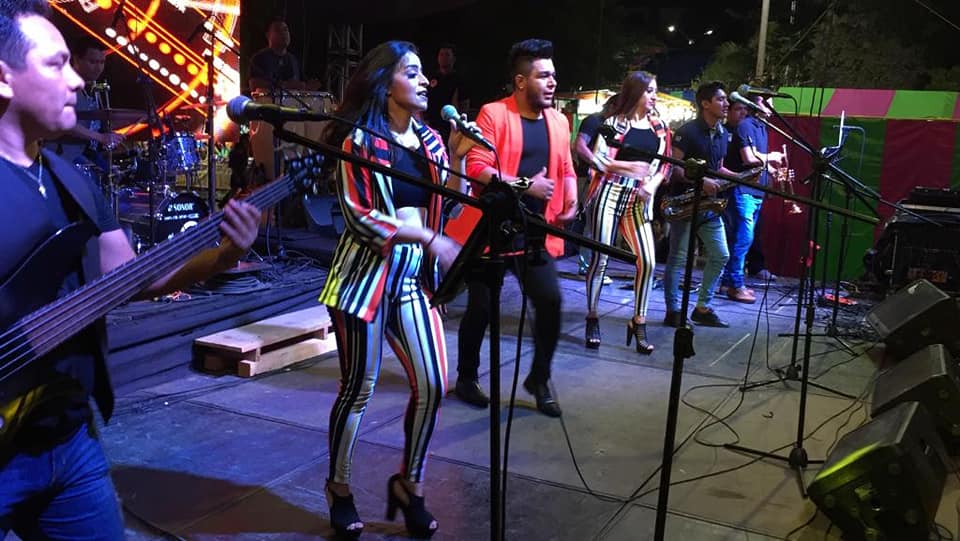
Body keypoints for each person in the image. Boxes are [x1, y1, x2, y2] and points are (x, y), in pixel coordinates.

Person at [0, 2, 261, 538]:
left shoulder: (71, 180)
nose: (77, 80)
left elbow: (135, 279)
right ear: (4, 78)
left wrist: (222, 256)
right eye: (56, 64)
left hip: (69, 440)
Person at [316, 40, 474, 539]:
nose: (426, 80)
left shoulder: (431, 144)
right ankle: (339, 487)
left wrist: (459, 161)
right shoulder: (359, 142)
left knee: (433, 384)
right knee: (358, 387)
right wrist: (426, 237)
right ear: (387, 84)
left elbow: (448, 206)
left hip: (410, 281)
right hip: (363, 281)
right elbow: (360, 218)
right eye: (413, 72)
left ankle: (411, 484)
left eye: (425, 72)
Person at [454, 38, 578, 417]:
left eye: (554, 75)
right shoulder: (494, 114)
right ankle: (466, 377)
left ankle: (539, 379)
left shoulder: (559, 121)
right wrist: (526, 185)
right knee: (481, 309)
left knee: (550, 302)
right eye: (543, 76)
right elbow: (477, 168)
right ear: (521, 81)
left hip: (534, 231)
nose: (553, 82)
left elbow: (566, 167)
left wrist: (571, 196)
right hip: (492, 229)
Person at [583, 71, 671, 353]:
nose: (654, 96)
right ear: (635, 93)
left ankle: (639, 321)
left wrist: (652, 185)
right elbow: (597, 160)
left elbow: (665, 164)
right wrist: (626, 167)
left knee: (648, 261)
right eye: (649, 90)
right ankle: (592, 316)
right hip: (609, 192)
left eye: (655, 90)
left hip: (639, 199)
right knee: (601, 259)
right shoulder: (613, 124)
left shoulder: (660, 127)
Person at [662, 81, 733, 328]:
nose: (726, 104)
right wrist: (702, 182)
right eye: (721, 99)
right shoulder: (688, 131)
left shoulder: (722, 133)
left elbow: (719, 167)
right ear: (705, 104)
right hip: (684, 204)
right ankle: (673, 311)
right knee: (678, 259)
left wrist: (741, 176)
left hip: (708, 206)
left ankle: (702, 307)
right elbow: (675, 168)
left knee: (721, 255)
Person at [719, 96, 783, 303]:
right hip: (744, 190)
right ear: (757, 104)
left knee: (745, 238)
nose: (772, 109)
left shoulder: (762, 128)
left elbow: (757, 160)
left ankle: (728, 282)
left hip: (756, 190)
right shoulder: (746, 125)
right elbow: (748, 158)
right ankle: (735, 284)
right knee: (742, 239)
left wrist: (771, 171)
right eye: (768, 104)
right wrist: (771, 157)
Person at [43, 36, 125, 166]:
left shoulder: (91, 89)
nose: (98, 68)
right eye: (92, 62)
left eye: (102, 62)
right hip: (59, 158)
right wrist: (101, 137)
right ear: (76, 59)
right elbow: (62, 121)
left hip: (81, 155)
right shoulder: (64, 84)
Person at [572, 93, 618, 282]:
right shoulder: (594, 121)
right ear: (612, 106)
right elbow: (579, 146)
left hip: (601, 178)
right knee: (592, 224)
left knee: (596, 224)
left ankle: (592, 267)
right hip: (589, 178)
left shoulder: (612, 124)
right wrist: (598, 165)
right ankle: (588, 268)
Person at [425, 43, 469, 142]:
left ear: (453, 59)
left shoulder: (458, 79)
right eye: (441, 55)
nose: (443, 57)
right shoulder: (431, 77)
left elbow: (464, 102)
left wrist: (460, 122)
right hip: (431, 124)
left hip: (449, 125)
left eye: (447, 55)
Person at [248, 19, 306, 92]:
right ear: (268, 35)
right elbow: (254, 85)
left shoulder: (293, 60)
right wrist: (285, 85)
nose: (284, 33)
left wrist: (307, 86)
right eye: (278, 30)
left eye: (285, 30)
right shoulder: (259, 58)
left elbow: (300, 84)